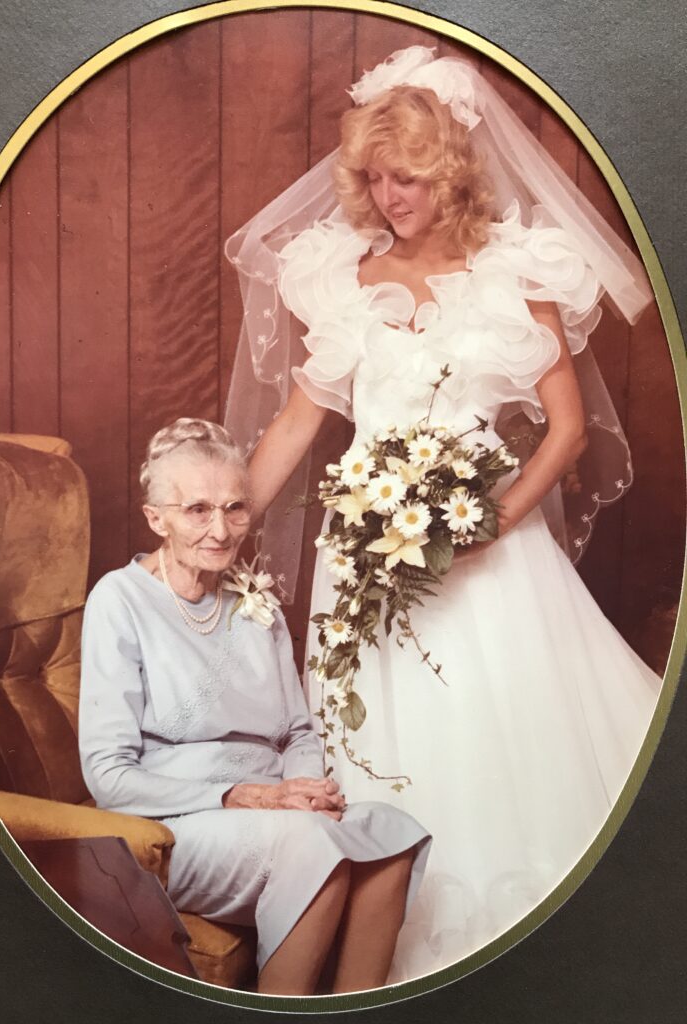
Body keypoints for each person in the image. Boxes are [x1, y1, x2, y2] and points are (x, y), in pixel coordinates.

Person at [224, 47, 662, 981]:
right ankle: (377, 933)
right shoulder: (341, 279)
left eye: (409, 176)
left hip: (488, 548)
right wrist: (219, 523)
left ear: (452, 172)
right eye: (375, 177)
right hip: (364, 554)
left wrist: (490, 526)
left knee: (497, 729)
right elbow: (301, 421)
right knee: (379, 737)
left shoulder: (514, 271)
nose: (390, 196)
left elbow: (569, 430)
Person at [78, 418, 431, 995]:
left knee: (391, 834)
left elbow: (296, 730)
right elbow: (110, 777)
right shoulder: (119, 601)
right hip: (172, 825)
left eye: (235, 508)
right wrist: (253, 798)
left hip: (274, 812)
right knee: (311, 845)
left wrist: (304, 794)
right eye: (197, 510)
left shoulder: (251, 596)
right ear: (156, 518)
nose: (221, 530)